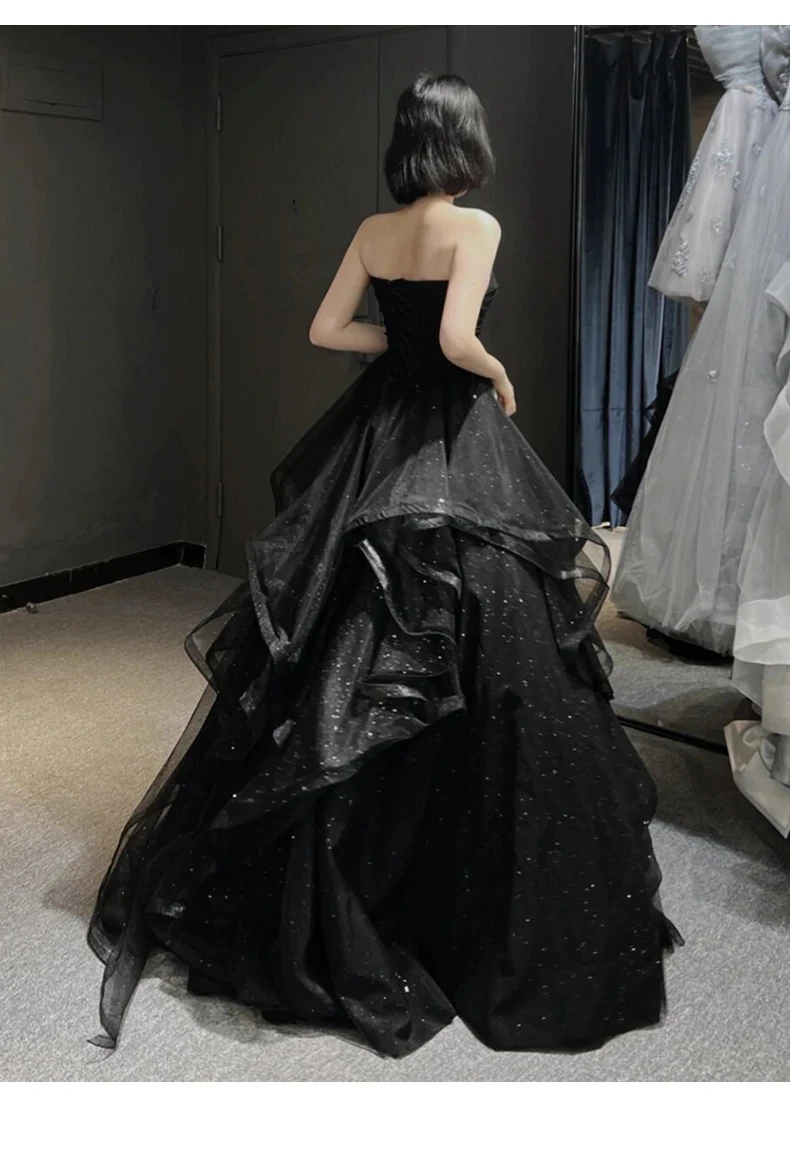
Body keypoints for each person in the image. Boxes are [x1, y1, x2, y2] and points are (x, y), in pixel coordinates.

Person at [88, 73, 680, 1059]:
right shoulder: (477, 225)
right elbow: (458, 337)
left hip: (382, 427)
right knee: (486, 625)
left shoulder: (373, 228)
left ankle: (348, 848)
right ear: (465, 141)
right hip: (450, 435)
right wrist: (492, 369)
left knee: (353, 623)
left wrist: (397, 347)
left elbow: (327, 331)